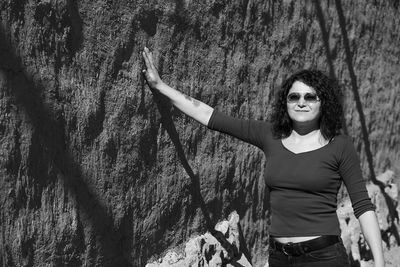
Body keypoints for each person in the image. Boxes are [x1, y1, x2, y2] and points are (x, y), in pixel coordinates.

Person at [141, 47, 385, 267]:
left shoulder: (339, 146)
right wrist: (160, 86)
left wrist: (380, 263)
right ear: (285, 103)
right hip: (279, 257)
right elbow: (210, 116)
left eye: (310, 97)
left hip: (323, 257)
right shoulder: (270, 135)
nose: (301, 103)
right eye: (294, 97)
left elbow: (363, 207)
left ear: (324, 104)